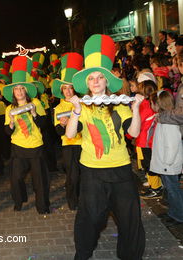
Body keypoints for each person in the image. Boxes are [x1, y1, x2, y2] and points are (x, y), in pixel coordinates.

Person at [66, 34, 145, 260]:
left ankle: (131, 256)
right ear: (87, 83)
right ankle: (83, 253)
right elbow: (71, 134)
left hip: (120, 169)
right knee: (90, 218)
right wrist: (76, 111)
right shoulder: (82, 105)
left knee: (130, 218)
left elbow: (134, 133)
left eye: (101, 77)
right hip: (92, 171)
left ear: (107, 81)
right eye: (92, 78)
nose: (97, 81)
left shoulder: (120, 105)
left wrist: (137, 108)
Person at [3, 56, 50, 215]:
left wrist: (35, 114)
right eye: (17, 89)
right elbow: (8, 131)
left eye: (22, 88)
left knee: (39, 180)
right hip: (18, 147)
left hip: (36, 146)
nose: (20, 91)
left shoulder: (35, 103)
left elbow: (43, 125)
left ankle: (42, 206)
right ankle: (19, 200)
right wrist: (10, 122)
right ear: (13, 92)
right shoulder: (9, 108)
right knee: (16, 178)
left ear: (26, 91)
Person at [52, 52, 83, 210]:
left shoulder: (83, 103)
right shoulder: (58, 108)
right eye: (65, 89)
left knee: (85, 175)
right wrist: (63, 125)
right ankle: (72, 201)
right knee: (72, 175)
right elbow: (57, 132)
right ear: (62, 91)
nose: (69, 91)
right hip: (69, 145)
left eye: (71, 88)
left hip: (84, 144)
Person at [149, 90, 183, 226]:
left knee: (173, 189)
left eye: (152, 103)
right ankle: (173, 212)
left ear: (158, 104)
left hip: (168, 163)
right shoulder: (164, 119)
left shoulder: (168, 123)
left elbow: (172, 145)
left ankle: (179, 215)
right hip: (165, 163)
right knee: (170, 189)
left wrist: (166, 163)